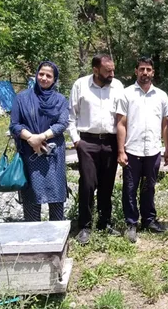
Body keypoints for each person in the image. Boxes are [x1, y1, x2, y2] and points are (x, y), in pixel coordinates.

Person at [68, 54, 124, 244]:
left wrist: (121, 146)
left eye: (113, 70)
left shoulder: (118, 86)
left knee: (107, 184)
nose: (112, 74)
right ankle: (84, 226)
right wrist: (77, 141)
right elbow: (71, 115)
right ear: (95, 70)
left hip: (110, 141)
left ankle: (104, 222)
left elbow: (122, 117)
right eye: (108, 71)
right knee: (88, 184)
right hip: (87, 142)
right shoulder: (80, 85)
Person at [117, 57, 168, 243]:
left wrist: (167, 148)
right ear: (136, 71)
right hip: (132, 150)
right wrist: (121, 151)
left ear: (153, 72)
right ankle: (131, 223)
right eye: (142, 69)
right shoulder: (126, 94)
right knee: (130, 189)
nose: (145, 73)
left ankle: (149, 220)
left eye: (148, 69)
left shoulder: (161, 96)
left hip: (153, 151)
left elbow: (165, 124)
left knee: (149, 187)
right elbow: (121, 123)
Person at [10, 61, 69, 221]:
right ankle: (32, 238)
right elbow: (14, 125)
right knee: (31, 196)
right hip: (29, 154)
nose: (44, 78)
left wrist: (41, 138)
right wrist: (30, 138)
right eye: (41, 74)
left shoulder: (60, 100)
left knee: (56, 195)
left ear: (54, 79)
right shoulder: (22, 98)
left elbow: (62, 123)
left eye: (48, 76)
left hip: (53, 153)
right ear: (36, 74)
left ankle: (57, 236)